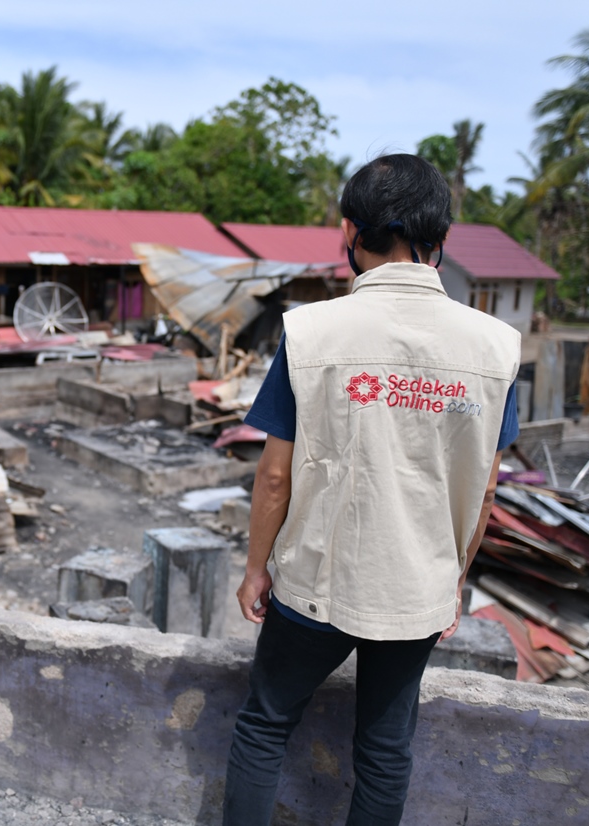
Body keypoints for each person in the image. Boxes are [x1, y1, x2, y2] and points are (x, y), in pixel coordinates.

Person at [222, 154, 521, 825]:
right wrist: (452, 584)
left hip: (312, 588)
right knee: (385, 751)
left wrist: (253, 570)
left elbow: (274, 475)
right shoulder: (498, 348)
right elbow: (484, 495)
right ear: (440, 240)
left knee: (266, 725)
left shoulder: (310, 331)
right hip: (418, 591)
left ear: (351, 233)